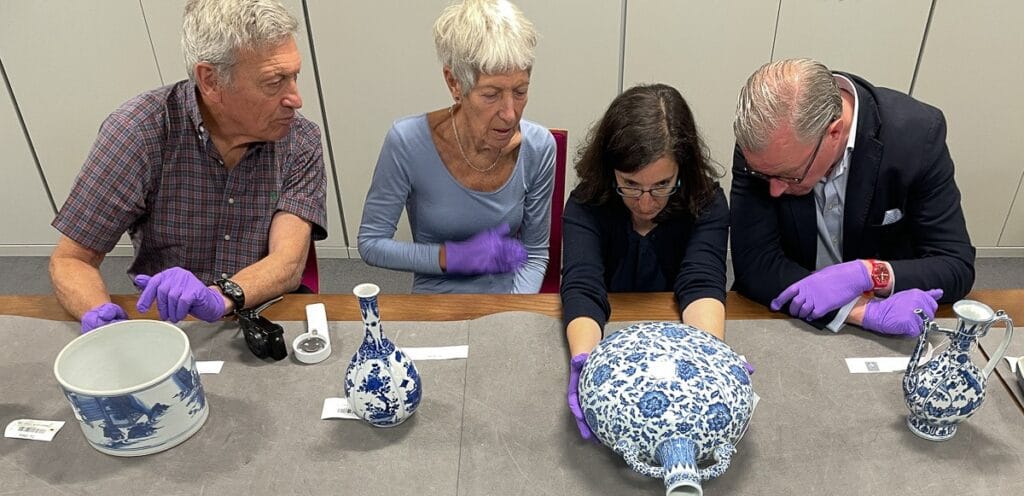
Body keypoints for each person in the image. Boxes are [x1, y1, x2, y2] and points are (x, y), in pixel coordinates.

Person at [50, 0, 327, 333]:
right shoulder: (138, 132)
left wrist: (222, 295)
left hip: (262, 311)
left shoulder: (300, 139)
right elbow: (71, 259)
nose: (295, 99)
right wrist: (99, 314)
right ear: (210, 80)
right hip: (170, 319)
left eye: (294, 76)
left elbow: (288, 262)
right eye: (273, 82)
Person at [729, 58, 975, 337]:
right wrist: (859, 310)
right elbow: (756, 265)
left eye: (791, 176)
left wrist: (869, 273)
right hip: (787, 317)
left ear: (833, 132)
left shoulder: (918, 137)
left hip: (889, 325)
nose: (774, 190)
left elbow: (955, 264)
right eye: (766, 177)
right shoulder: (766, 149)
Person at [562, 84, 730, 439]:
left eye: (662, 184)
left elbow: (701, 282)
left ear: (683, 169)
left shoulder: (707, 202)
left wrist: (710, 355)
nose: (645, 201)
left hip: (676, 338)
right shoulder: (585, 205)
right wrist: (586, 363)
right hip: (611, 340)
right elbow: (583, 286)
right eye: (631, 184)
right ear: (611, 172)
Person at [357, 0, 555, 294]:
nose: (510, 113)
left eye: (520, 91)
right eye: (491, 95)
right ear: (454, 84)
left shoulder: (539, 148)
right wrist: (452, 257)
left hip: (508, 296)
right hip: (436, 296)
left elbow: (536, 254)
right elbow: (371, 244)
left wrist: (513, 313)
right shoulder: (407, 142)